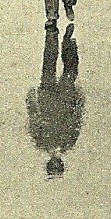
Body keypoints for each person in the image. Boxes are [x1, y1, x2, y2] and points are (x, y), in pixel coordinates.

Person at [27, 25, 83, 179]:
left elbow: (34, 120)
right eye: (58, 166)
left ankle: (53, 36)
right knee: (69, 71)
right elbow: (76, 119)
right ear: (61, 164)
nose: (56, 163)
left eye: (54, 166)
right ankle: (68, 41)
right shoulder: (68, 143)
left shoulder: (42, 142)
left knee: (50, 66)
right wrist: (79, 102)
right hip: (63, 100)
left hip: (49, 100)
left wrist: (31, 100)